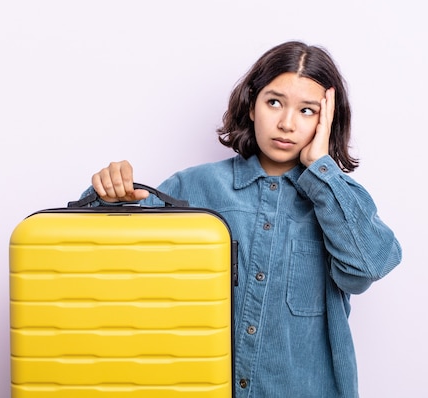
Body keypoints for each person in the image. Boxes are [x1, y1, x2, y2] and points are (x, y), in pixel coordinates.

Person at [80, 41, 402, 397]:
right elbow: (105, 262)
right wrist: (107, 198)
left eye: (308, 111)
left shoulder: (337, 200)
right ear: (252, 105)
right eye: (274, 102)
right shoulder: (194, 187)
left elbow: (367, 268)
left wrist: (322, 169)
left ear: (326, 121)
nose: (287, 123)